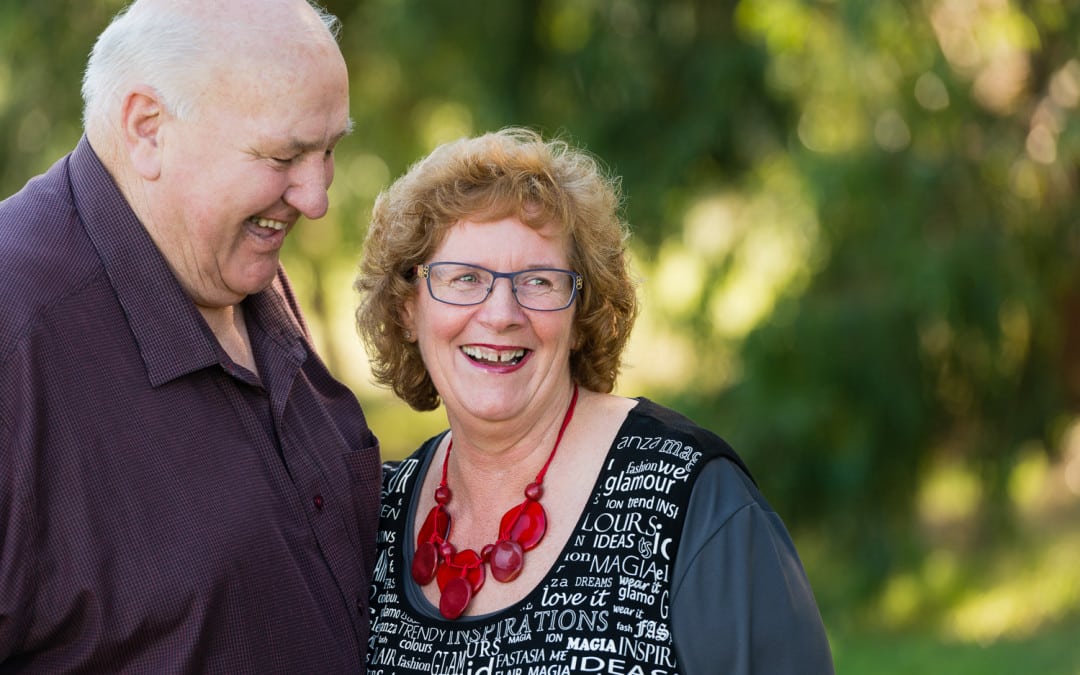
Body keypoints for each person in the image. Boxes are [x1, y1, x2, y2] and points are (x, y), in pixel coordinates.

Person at [355, 127, 834, 674]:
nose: (501, 314)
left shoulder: (688, 498)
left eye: (538, 281)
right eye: (464, 278)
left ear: (582, 319)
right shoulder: (378, 513)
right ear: (406, 311)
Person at [0, 0, 381, 671]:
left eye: (329, 150)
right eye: (284, 154)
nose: (317, 197)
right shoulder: (15, 334)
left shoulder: (236, 265)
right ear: (148, 129)